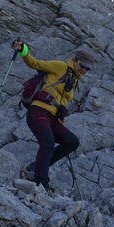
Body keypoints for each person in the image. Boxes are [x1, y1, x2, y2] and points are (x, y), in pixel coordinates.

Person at [11, 39, 95, 191]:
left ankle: (33, 167)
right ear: (76, 61)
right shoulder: (60, 66)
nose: (84, 70)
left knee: (72, 142)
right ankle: (41, 182)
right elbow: (34, 63)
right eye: (82, 66)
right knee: (48, 143)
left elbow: (61, 99)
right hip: (39, 112)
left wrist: (61, 113)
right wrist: (23, 49)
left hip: (53, 118)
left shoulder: (74, 80)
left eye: (87, 69)